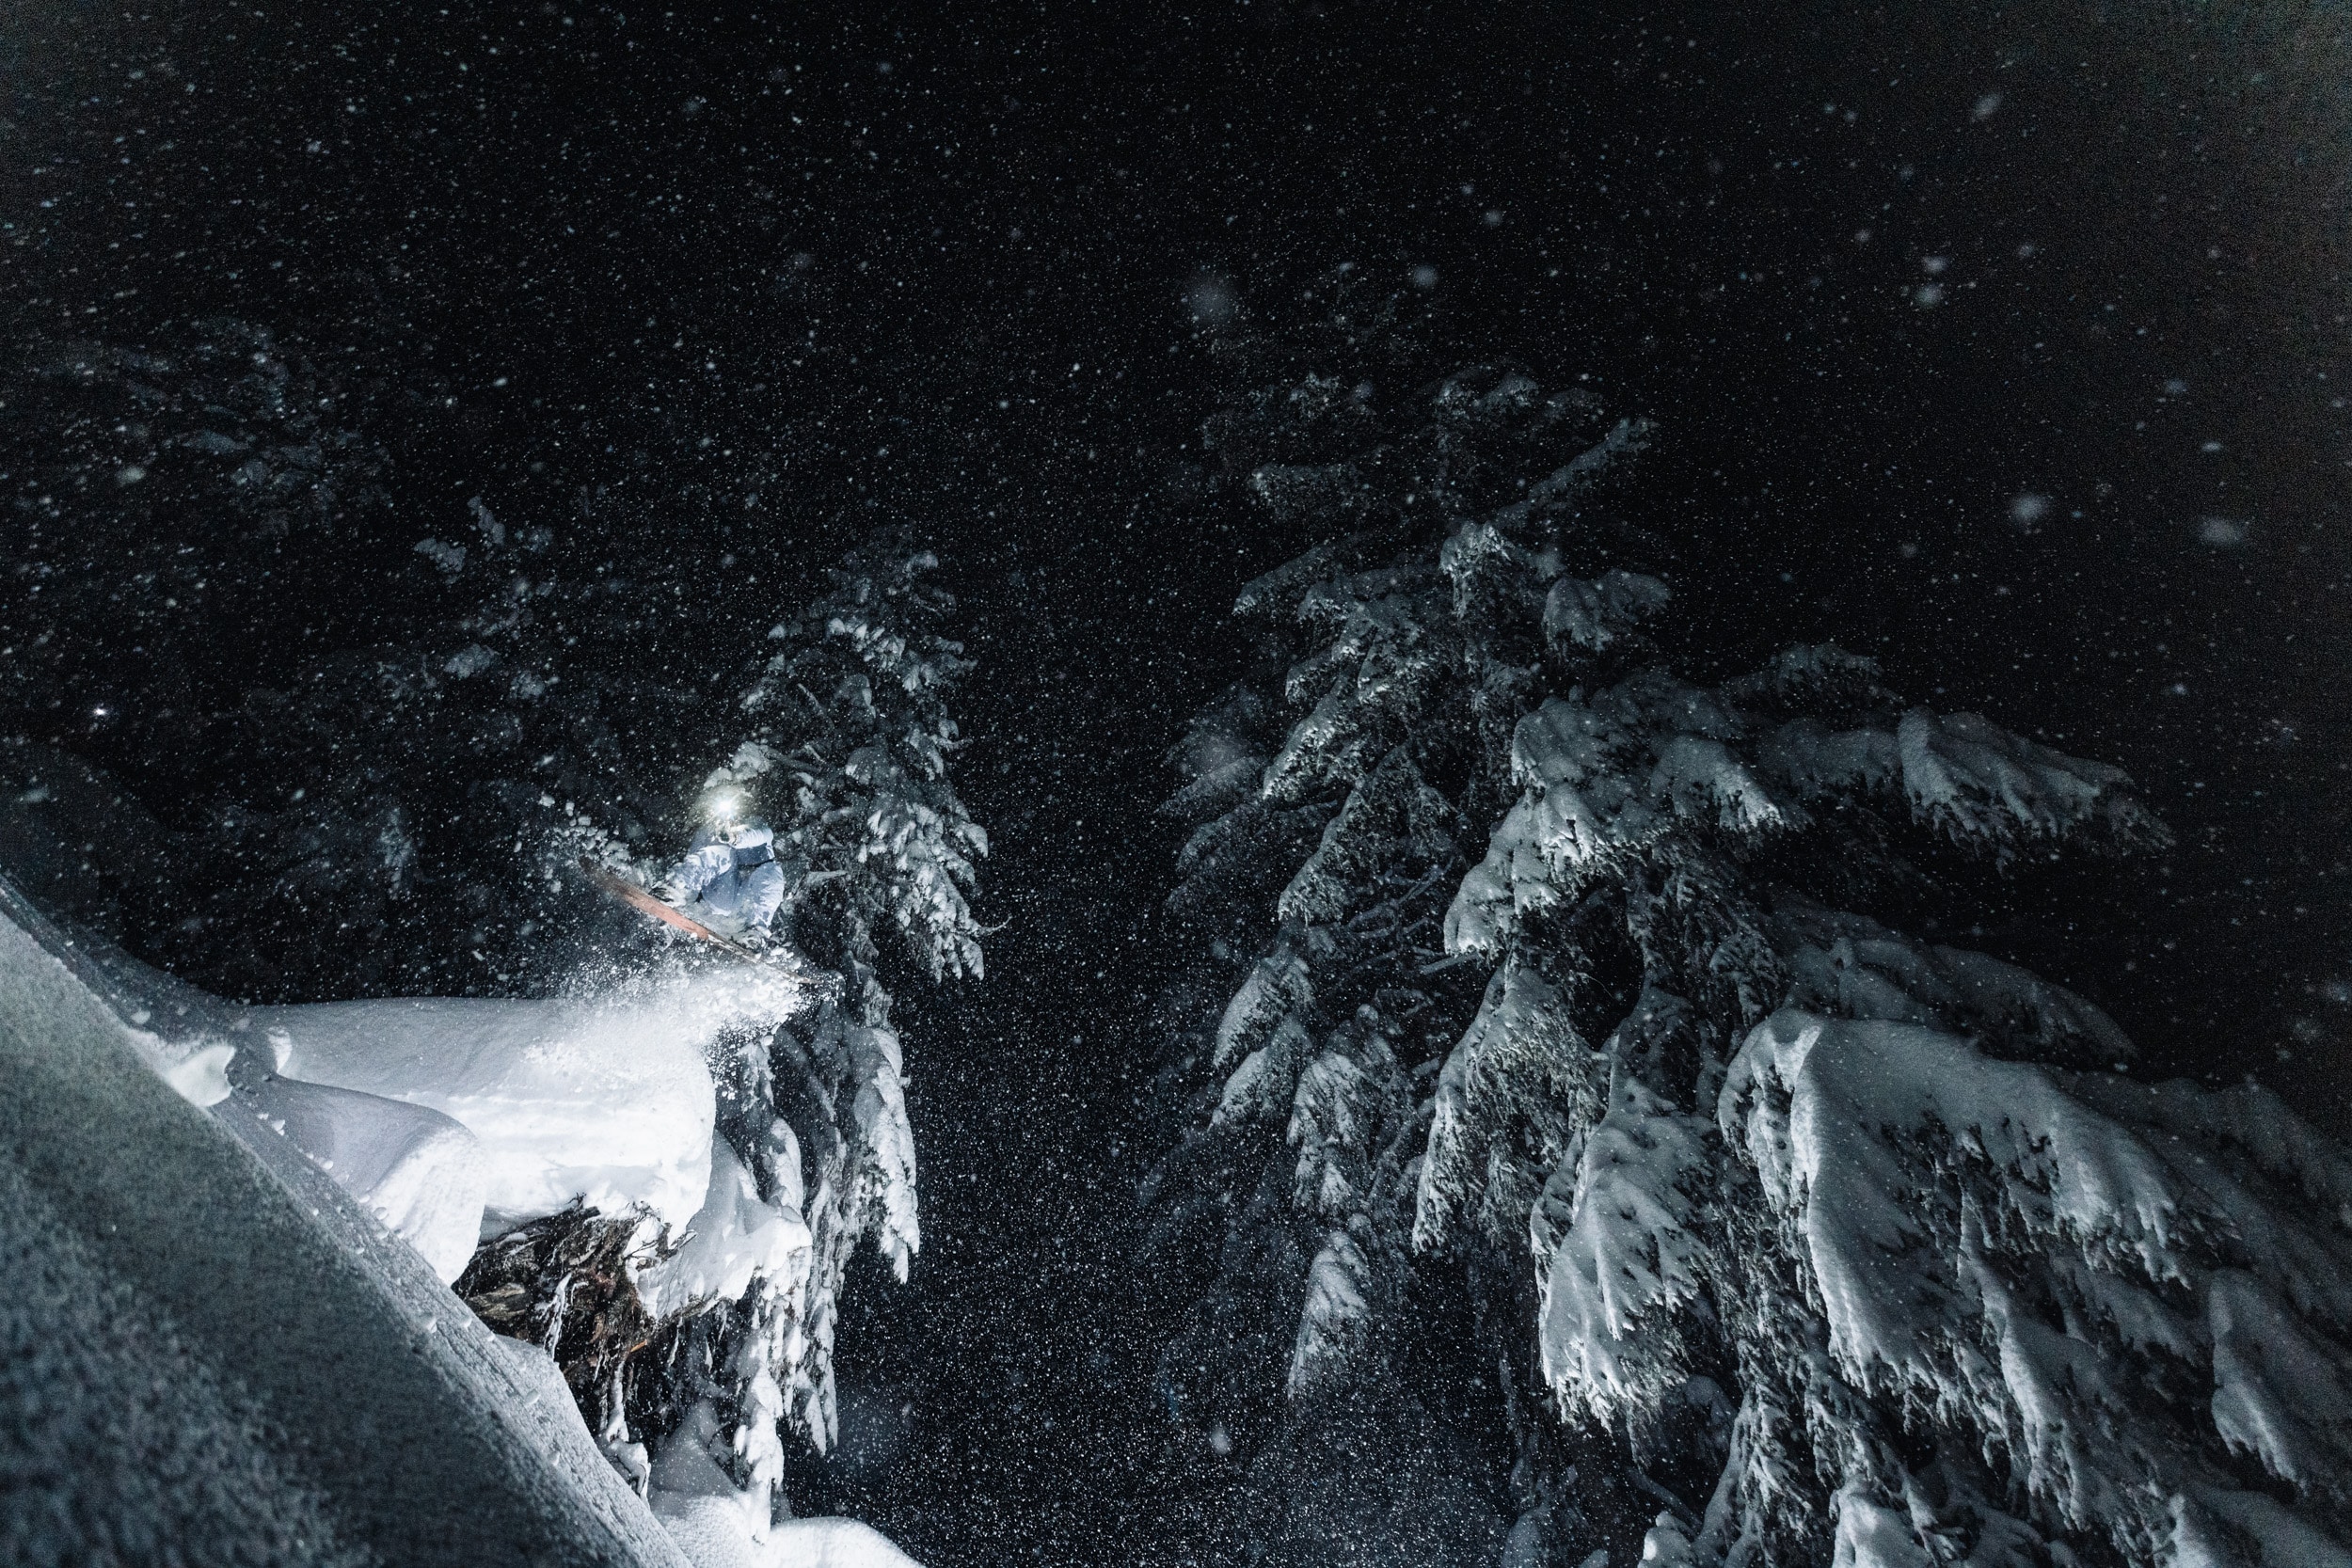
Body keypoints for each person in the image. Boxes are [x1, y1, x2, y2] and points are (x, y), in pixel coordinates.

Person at [655, 813, 786, 946]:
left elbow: (759, 835)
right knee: (723, 853)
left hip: (747, 898)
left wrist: (735, 837)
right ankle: (677, 889)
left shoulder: (756, 824)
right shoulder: (711, 829)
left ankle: (755, 929)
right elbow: (699, 856)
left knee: (772, 870)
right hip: (725, 895)